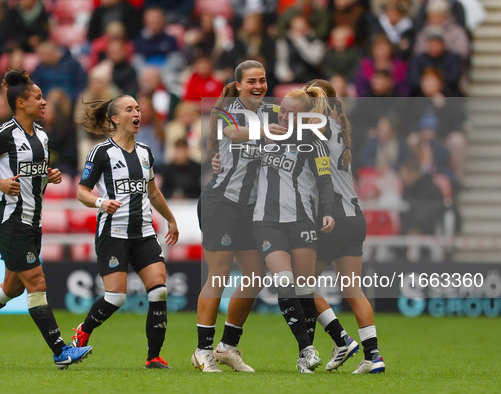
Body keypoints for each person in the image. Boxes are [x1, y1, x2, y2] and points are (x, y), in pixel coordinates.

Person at [0, 69, 92, 369]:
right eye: (38, 98)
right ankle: (60, 350)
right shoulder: (2, 134)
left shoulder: (42, 136)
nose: (44, 102)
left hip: (32, 221)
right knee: (36, 281)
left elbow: (36, 176)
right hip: (8, 220)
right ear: (21, 103)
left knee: (12, 287)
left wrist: (50, 176)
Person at [71, 94, 179, 369]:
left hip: (143, 233)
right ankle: (83, 330)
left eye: (138, 109)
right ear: (115, 118)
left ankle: (153, 356)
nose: (137, 113)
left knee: (159, 292)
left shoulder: (145, 152)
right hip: (113, 233)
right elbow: (81, 191)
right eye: (129, 109)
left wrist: (170, 219)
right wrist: (101, 202)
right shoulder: (101, 152)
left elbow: (152, 192)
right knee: (116, 297)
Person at [193, 60, 273, 373]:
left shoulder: (274, 113)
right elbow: (234, 133)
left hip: (251, 208)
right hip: (221, 202)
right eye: (251, 81)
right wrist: (271, 133)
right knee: (219, 275)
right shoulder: (225, 110)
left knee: (255, 276)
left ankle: (227, 346)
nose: (258, 86)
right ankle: (203, 350)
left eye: (263, 80)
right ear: (238, 85)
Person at [302, 79, 385, 374]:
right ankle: (373, 356)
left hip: (332, 217)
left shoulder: (316, 125)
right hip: (354, 217)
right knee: (353, 290)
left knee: (301, 286)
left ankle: (341, 339)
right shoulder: (338, 125)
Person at [251, 88, 336, 373]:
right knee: (284, 280)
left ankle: (306, 360)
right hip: (266, 220)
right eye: (282, 109)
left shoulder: (314, 141)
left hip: (301, 220)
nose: (284, 115)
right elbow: (233, 152)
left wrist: (328, 211)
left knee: (305, 288)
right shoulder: (265, 132)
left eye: (291, 112)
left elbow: (325, 180)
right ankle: (306, 348)